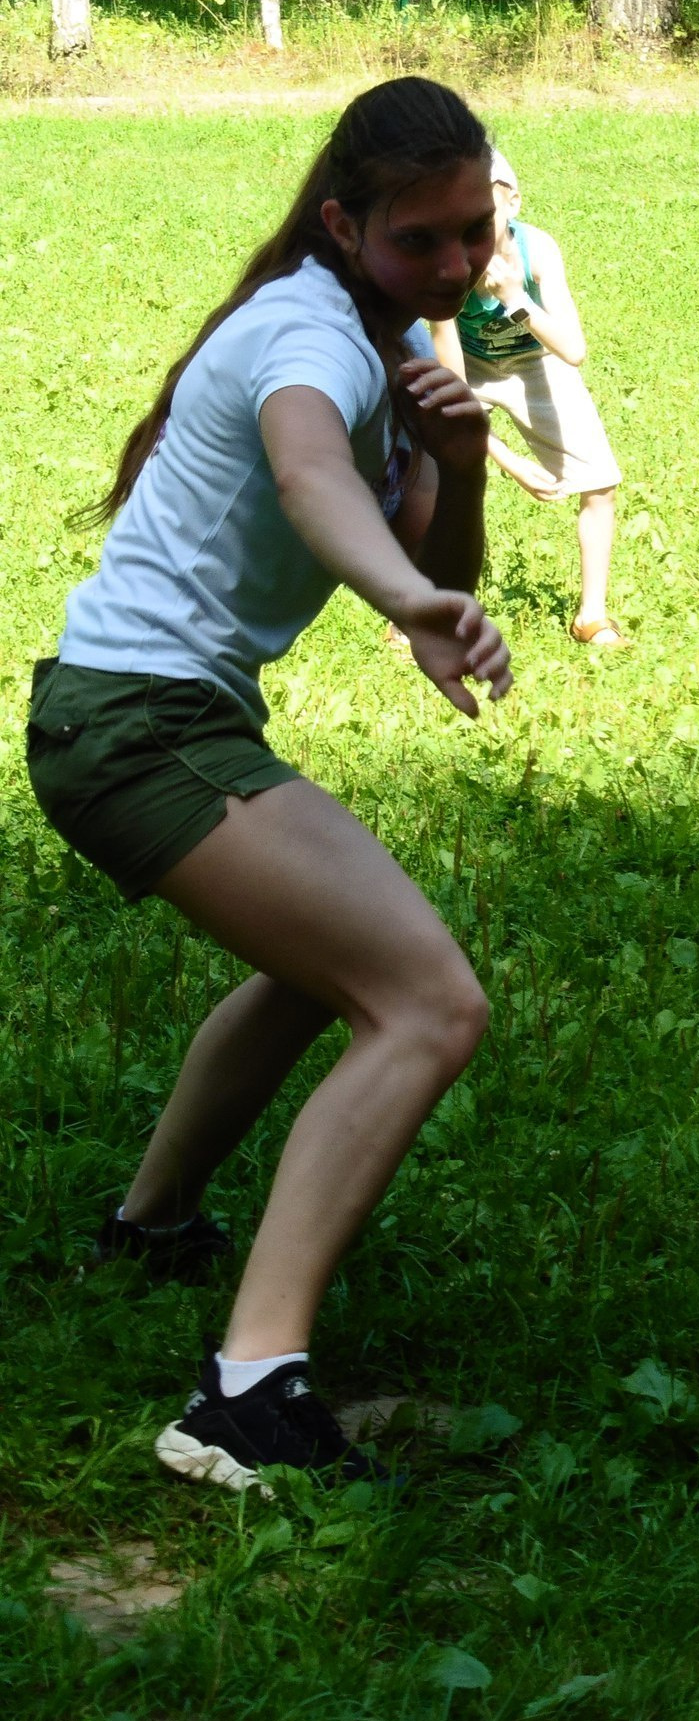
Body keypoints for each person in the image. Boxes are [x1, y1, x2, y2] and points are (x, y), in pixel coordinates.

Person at [32, 76, 514, 1488]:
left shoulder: (383, 341)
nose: (453, 266)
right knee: (427, 1004)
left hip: (157, 719)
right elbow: (310, 481)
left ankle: (154, 1223)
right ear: (342, 223)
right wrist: (405, 601)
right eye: (420, 240)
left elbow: (440, 563)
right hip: (137, 727)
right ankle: (246, 1392)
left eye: (474, 234)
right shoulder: (305, 332)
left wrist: (460, 461)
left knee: (332, 965)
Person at [427, 149, 627, 647]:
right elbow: (451, 391)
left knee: (600, 483)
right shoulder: (445, 267)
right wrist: (508, 461)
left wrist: (517, 300)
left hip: (536, 363)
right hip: (469, 372)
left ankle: (592, 617)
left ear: (512, 202)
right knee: (434, 480)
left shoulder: (538, 249)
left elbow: (574, 350)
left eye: (483, 214)